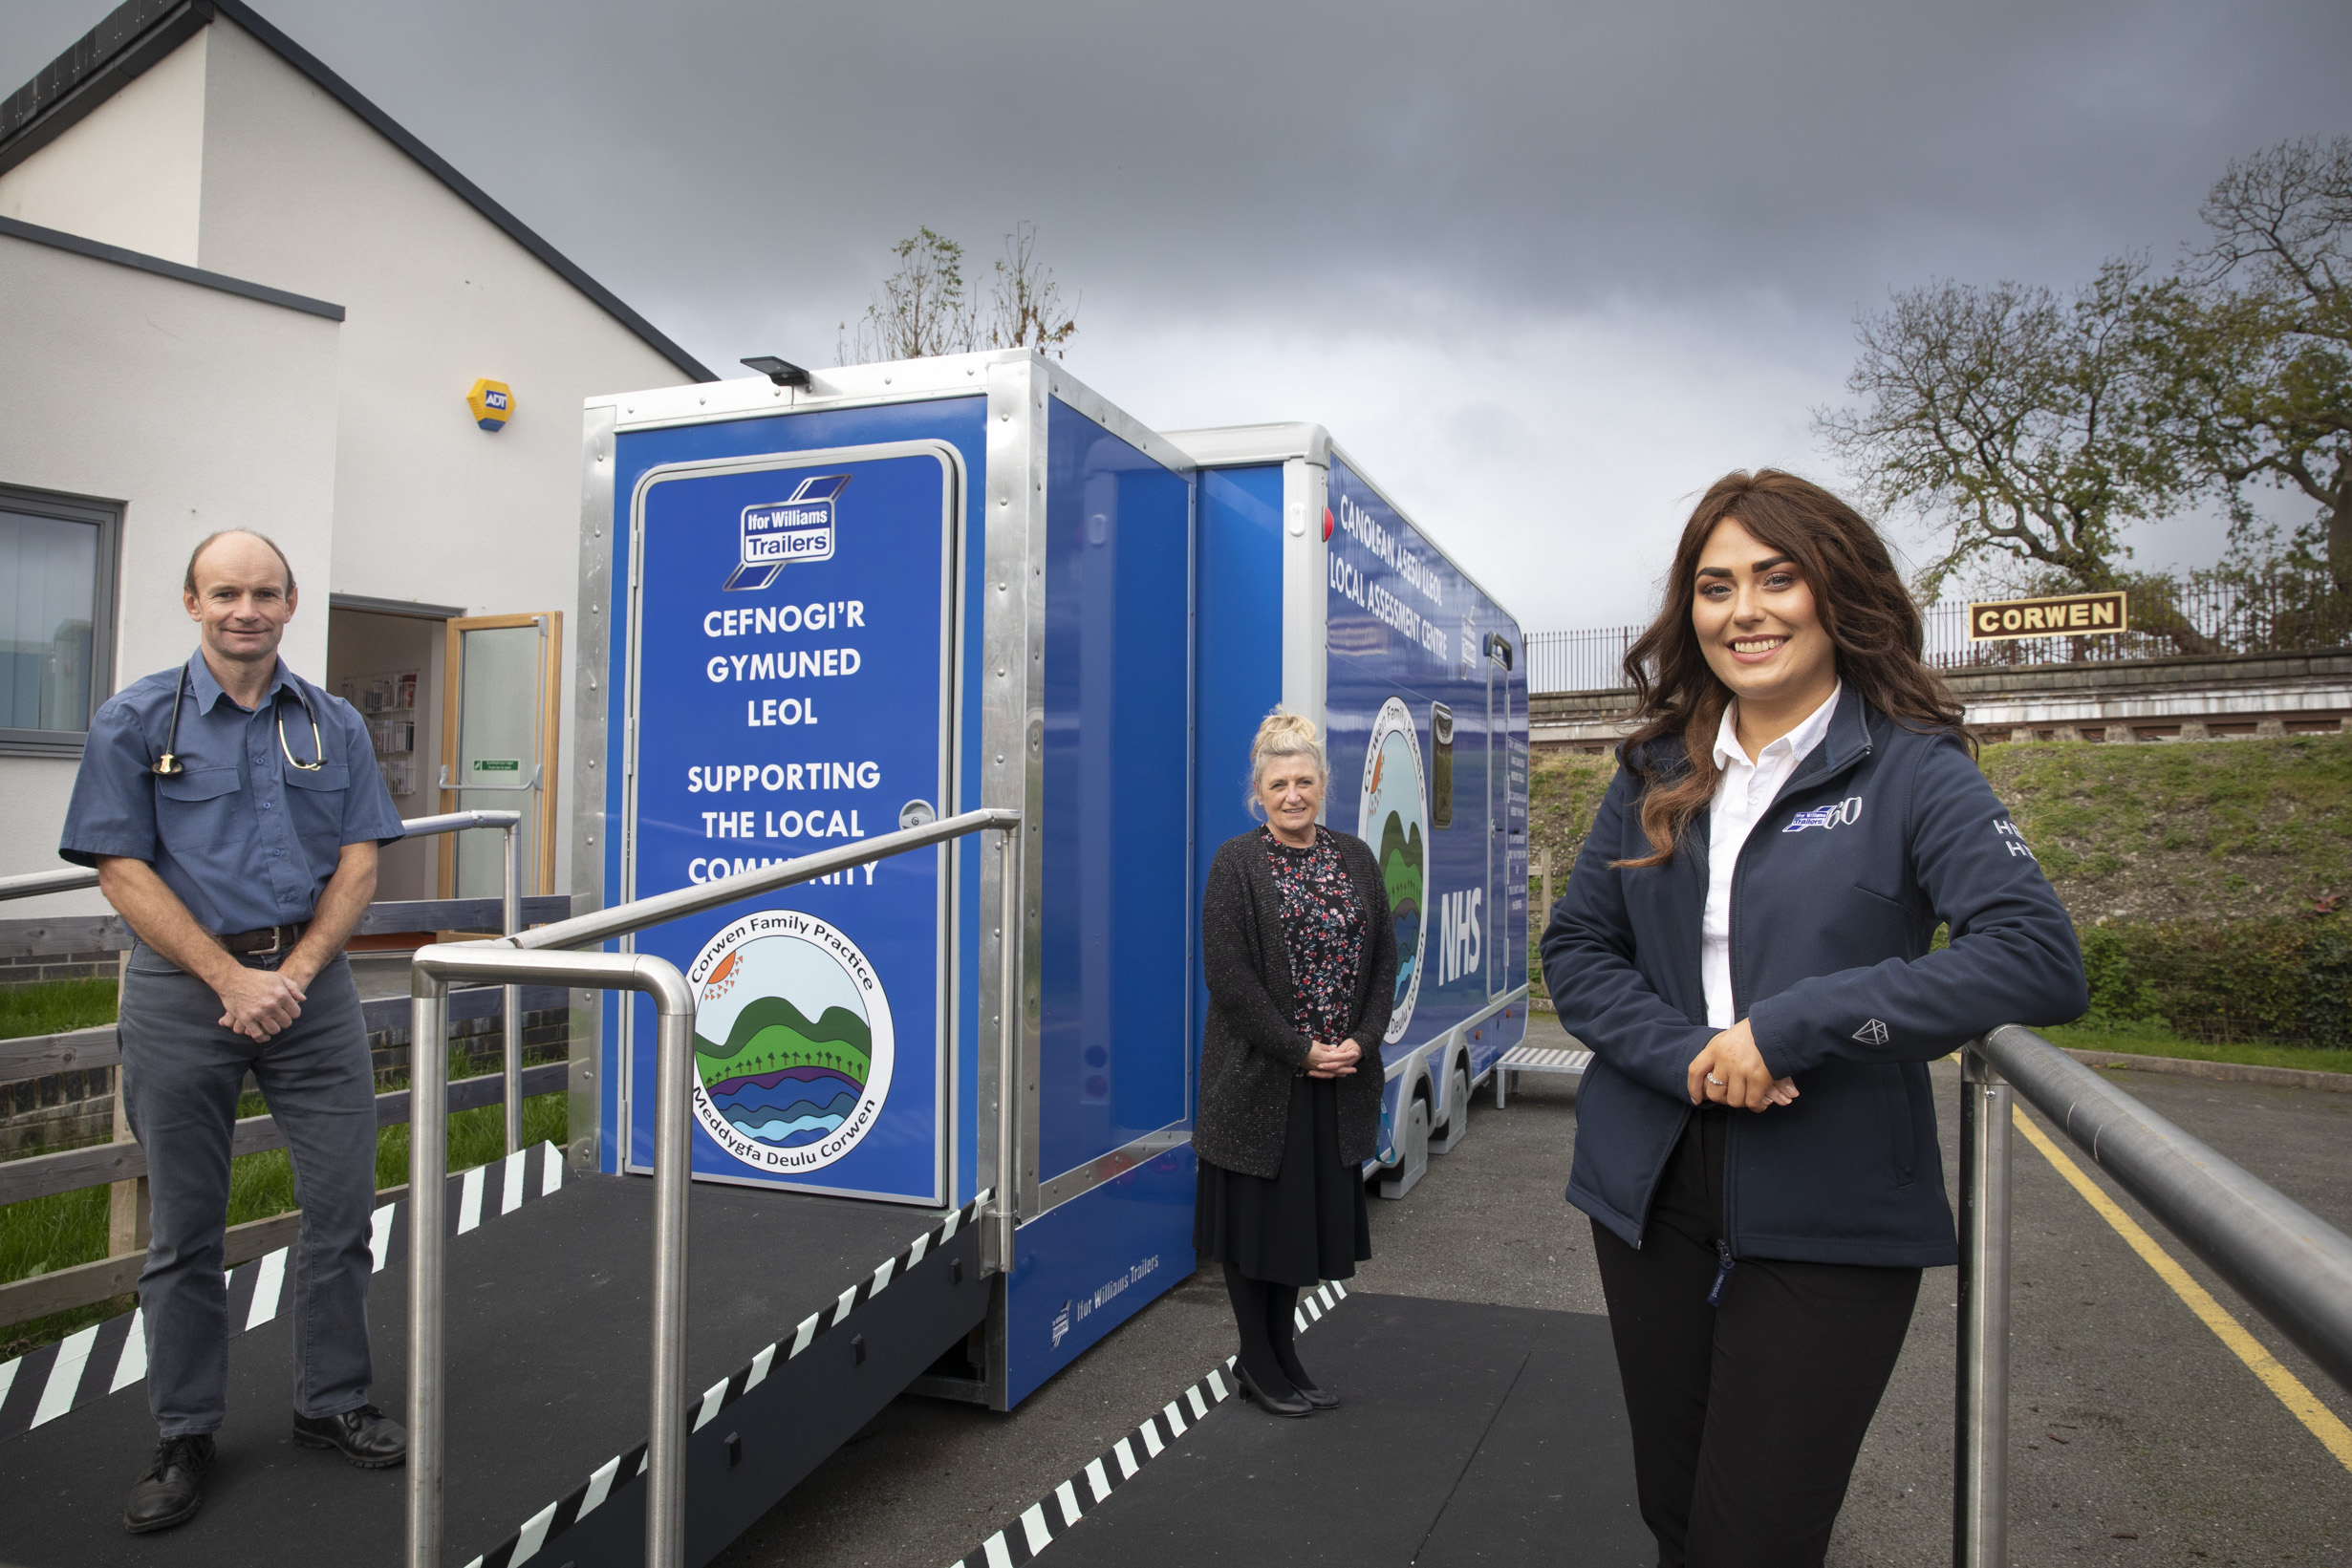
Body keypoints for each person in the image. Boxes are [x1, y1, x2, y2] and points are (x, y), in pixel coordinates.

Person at [1542, 471, 2088, 1568]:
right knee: (1677, 1518)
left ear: (1835, 591)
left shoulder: (1913, 769)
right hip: (1647, 1192)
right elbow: (1577, 952)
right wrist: (1693, 1056)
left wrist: (1798, 1025)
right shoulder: (1654, 766)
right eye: (1714, 586)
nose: (1743, 610)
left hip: (1831, 1209)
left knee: (1755, 1542)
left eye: (1774, 578)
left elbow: (2034, 959)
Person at [60, 529, 410, 1535]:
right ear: (192, 602)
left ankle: (331, 1400)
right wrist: (228, 977)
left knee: (343, 1208)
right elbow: (120, 869)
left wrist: (292, 976)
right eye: (225, 592)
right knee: (183, 1231)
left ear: (290, 603)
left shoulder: (330, 724)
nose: (244, 609)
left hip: (312, 992)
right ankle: (184, 1430)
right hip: (182, 994)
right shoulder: (134, 721)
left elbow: (357, 865)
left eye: (263, 591)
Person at [1195, 711, 1398, 1416]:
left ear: (1323, 786)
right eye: (1278, 783)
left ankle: (1282, 1357)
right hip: (1258, 1084)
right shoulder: (1235, 862)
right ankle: (1257, 1361)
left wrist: (1360, 1040)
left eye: (1304, 780)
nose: (1292, 794)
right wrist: (1299, 1048)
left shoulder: (1355, 859)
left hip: (1334, 1082)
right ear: (1259, 792)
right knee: (1256, 1233)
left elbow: (1382, 964)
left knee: (1296, 1233)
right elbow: (1228, 976)